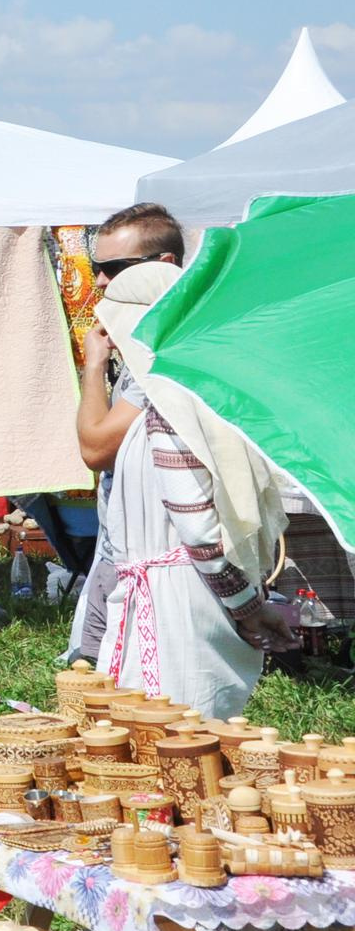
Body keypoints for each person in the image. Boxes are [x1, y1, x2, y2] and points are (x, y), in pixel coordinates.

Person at [86, 262, 295, 717]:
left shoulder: (170, 407)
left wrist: (247, 607)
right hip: (168, 590)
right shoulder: (179, 399)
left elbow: (198, 529)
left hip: (180, 599)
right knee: (170, 729)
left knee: (177, 730)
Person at [68, 202, 188, 663]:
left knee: (110, 679)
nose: (100, 281)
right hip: (130, 545)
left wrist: (94, 366)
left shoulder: (163, 352)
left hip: (155, 558)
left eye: (114, 268)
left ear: (162, 267)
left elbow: (96, 447)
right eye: (97, 268)